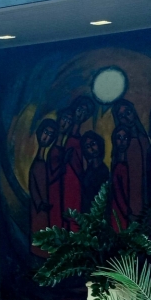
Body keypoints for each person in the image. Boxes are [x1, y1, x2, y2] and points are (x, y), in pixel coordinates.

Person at [112, 98, 150, 217]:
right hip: (130, 197)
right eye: (121, 115)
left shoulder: (144, 139)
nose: (126, 117)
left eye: (128, 112)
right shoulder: (122, 144)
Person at [62, 96, 95, 230]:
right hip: (62, 181)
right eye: (80, 109)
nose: (81, 114)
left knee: (74, 216)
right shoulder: (61, 132)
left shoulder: (80, 140)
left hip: (75, 183)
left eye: (86, 113)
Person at [29, 119, 58, 257]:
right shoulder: (37, 164)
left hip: (46, 209)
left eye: (51, 135)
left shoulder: (44, 163)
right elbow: (33, 187)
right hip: (40, 209)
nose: (47, 137)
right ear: (40, 133)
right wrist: (40, 203)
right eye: (46, 132)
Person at [46, 108, 73, 228]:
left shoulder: (63, 146)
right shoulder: (53, 149)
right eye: (64, 118)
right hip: (53, 194)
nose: (65, 123)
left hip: (64, 192)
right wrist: (64, 164)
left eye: (69, 121)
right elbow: (50, 177)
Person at [80, 130, 109, 213]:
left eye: (93, 144)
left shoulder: (104, 170)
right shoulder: (88, 170)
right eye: (88, 146)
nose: (92, 149)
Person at [110, 126, 132, 231]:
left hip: (129, 208)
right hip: (117, 209)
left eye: (125, 138)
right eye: (119, 137)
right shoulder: (116, 166)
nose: (122, 141)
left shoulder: (131, 166)